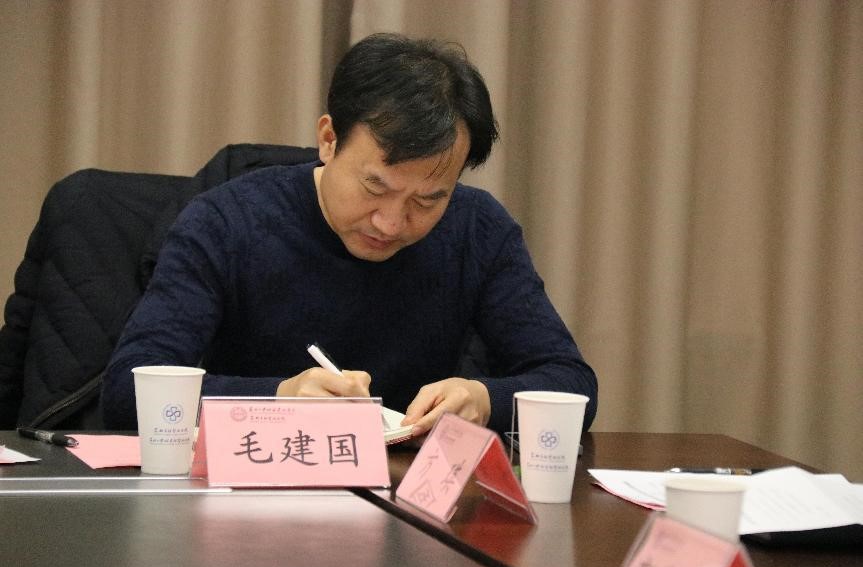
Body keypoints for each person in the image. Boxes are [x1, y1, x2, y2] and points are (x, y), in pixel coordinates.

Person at [102, 32, 598, 437]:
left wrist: (485, 399)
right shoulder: (226, 222)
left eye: (427, 200)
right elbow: (127, 391)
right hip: (250, 490)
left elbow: (571, 383)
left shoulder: (478, 230)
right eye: (374, 187)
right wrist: (278, 399)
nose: (391, 222)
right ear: (328, 139)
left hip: (408, 499)